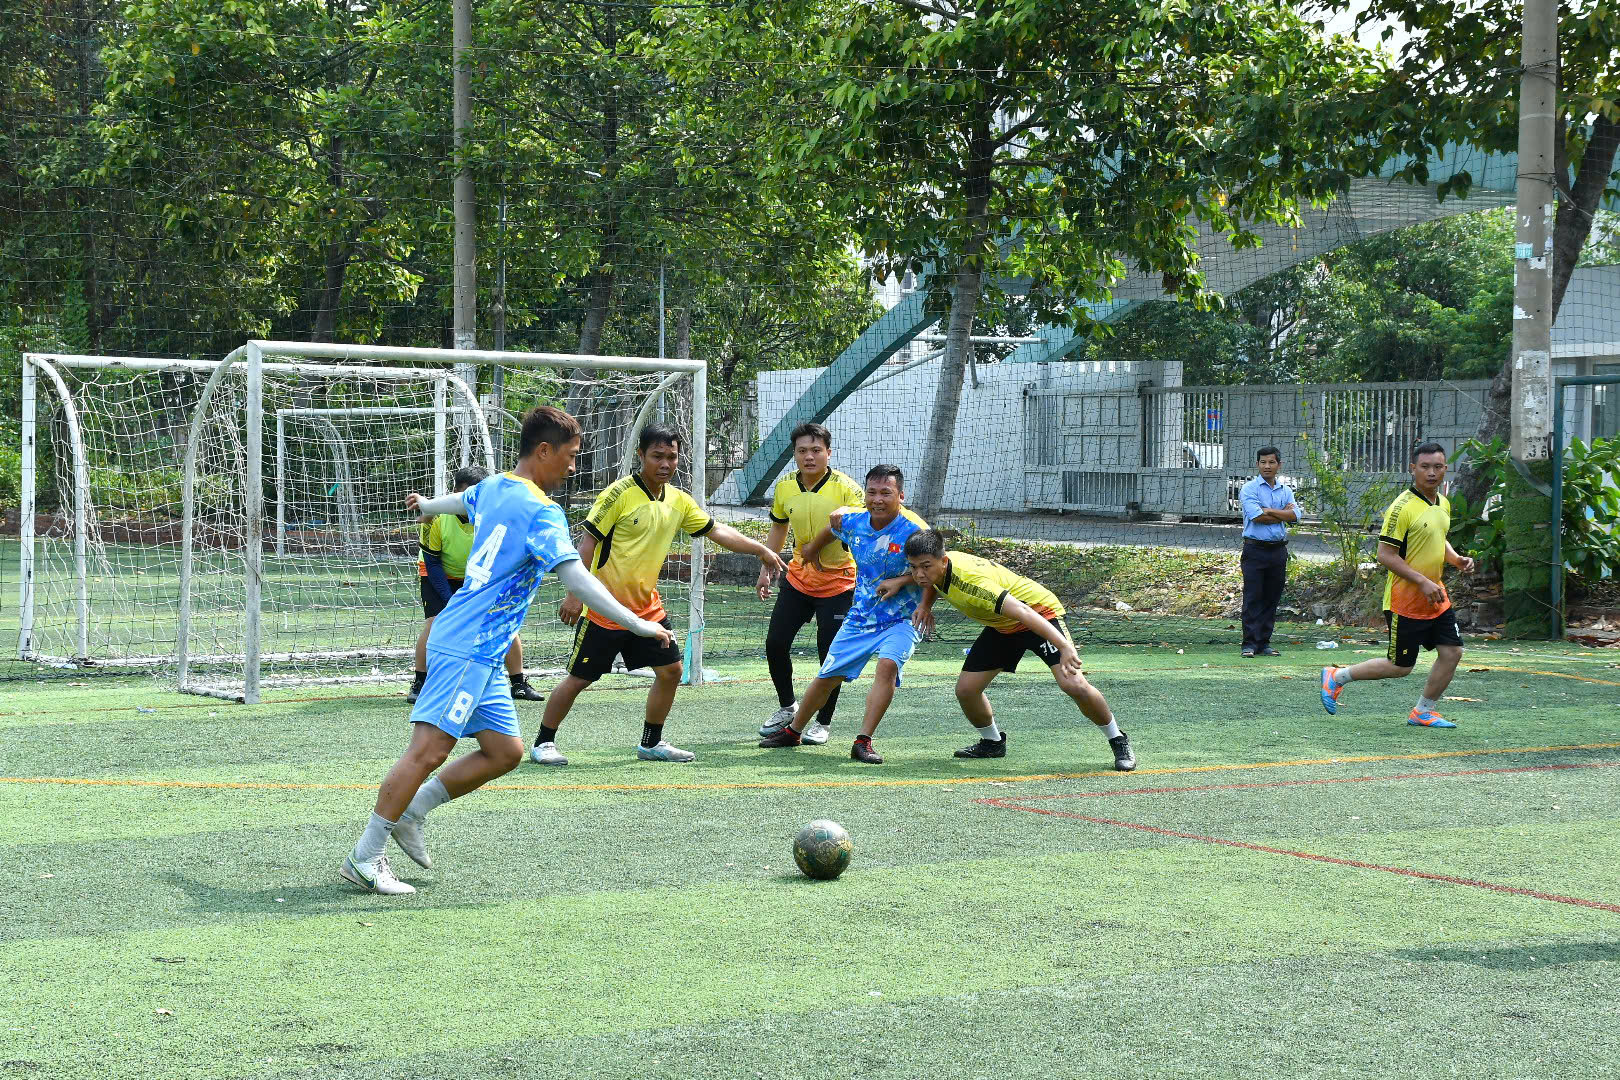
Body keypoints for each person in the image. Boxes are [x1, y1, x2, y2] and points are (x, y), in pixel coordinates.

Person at [340, 406, 676, 895]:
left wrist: (428, 504)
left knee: (504, 751)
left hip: (484, 649)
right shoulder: (542, 510)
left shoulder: (496, 485)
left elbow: (461, 500)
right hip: (468, 644)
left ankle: (413, 810)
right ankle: (365, 856)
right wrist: (637, 623)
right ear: (544, 451)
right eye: (571, 456)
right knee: (429, 750)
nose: (574, 467)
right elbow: (577, 578)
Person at [530, 424, 787, 766]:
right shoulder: (618, 494)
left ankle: (651, 743)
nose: (665, 464)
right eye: (657, 456)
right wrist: (575, 594)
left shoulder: (679, 500)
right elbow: (587, 543)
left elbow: (717, 530)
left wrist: (761, 550)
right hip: (604, 607)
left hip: (647, 609)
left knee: (671, 671)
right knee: (580, 678)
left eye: (672, 457)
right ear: (641, 455)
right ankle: (544, 742)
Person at [904, 530, 1135, 771]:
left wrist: (1065, 646)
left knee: (1073, 684)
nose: (919, 574)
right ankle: (992, 743)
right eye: (913, 567)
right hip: (1003, 625)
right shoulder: (938, 568)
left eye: (925, 567)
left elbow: (1024, 612)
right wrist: (925, 605)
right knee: (966, 690)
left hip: (1039, 614)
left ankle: (1118, 739)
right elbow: (933, 582)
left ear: (943, 561)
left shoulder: (972, 583)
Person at [757, 465, 927, 765]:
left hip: (902, 618)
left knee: (887, 666)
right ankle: (793, 731)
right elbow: (833, 528)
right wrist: (811, 551)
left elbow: (938, 568)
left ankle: (863, 741)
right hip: (861, 616)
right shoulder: (853, 521)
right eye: (872, 492)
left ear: (901, 496)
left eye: (886, 493)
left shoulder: (915, 530)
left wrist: (902, 581)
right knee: (827, 676)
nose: (877, 499)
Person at [1320, 441, 1475, 728]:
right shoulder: (1401, 508)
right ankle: (1336, 676)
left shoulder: (1442, 502)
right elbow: (1385, 555)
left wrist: (1456, 559)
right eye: (1425, 467)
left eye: (1438, 467)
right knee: (1400, 667)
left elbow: (1437, 537)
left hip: (1436, 597)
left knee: (1452, 652)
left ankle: (1423, 711)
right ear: (1413, 468)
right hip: (1405, 601)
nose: (1432, 473)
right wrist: (1422, 581)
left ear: (1446, 469)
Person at [757, 422, 866, 745]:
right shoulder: (784, 487)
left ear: (828, 453)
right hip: (798, 578)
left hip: (839, 583)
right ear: (794, 454)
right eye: (802, 451)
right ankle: (787, 707)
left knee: (830, 656)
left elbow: (860, 529)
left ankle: (822, 722)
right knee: (775, 643)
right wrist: (766, 567)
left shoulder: (848, 489)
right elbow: (779, 528)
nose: (809, 457)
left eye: (816, 450)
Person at [407, 465, 543, 705]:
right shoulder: (436, 516)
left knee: (504, 621)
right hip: (438, 573)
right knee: (435, 622)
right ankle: (420, 682)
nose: (474, 500)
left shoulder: (493, 514)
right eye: (468, 495)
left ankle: (518, 683)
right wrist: (452, 602)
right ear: (456, 494)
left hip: (478, 575)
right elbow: (433, 562)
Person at [1238, 446, 1298, 658]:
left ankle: (1264, 643)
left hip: (1278, 550)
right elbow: (1257, 517)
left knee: (1272, 598)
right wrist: (1283, 514)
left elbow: (1296, 516)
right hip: (1254, 549)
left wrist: (1270, 510)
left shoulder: (1286, 490)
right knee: (1253, 596)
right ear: (1257, 464)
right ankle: (1249, 644)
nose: (1267, 466)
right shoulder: (1249, 489)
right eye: (1263, 462)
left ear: (1279, 465)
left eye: (1271, 462)